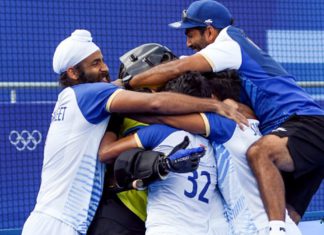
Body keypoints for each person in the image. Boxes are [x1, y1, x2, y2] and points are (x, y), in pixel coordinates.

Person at [123, 0, 324, 234]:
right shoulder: (238, 92)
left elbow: (180, 67)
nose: (187, 43)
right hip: (296, 132)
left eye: (190, 34)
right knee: (284, 212)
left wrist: (127, 84)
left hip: (305, 123)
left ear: (209, 32)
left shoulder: (228, 43)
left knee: (260, 153)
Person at [21, 29, 246, 235]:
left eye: (102, 60)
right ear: (73, 72)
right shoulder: (91, 94)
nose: (104, 68)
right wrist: (214, 106)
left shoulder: (78, 98)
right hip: (58, 224)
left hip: (63, 221)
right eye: (95, 63)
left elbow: (138, 100)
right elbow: (155, 105)